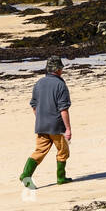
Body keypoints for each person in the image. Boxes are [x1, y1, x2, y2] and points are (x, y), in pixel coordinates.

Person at [20, 56, 74, 188]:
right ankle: (61, 178)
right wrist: (68, 129)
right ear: (58, 69)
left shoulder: (39, 83)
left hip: (41, 125)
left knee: (39, 151)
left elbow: (34, 105)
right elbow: (63, 110)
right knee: (63, 151)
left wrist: (40, 118)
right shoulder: (61, 85)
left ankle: (26, 176)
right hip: (56, 126)